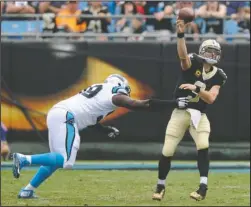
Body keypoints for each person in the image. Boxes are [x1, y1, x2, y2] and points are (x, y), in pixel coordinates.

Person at [12, 74, 189, 199]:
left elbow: (89, 117)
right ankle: (23, 159)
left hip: (59, 114)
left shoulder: (98, 92)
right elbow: (138, 104)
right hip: (66, 117)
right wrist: (173, 104)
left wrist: (105, 130)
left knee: (56, 160)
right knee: (65, 160)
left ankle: (27, 190)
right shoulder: (114, 93)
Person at [152, 19, 227, 201]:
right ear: (202, 52)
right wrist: (180, 35)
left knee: (203, 145)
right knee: (168, 149)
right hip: (180, 111)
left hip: (199, 114)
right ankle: (160, 186)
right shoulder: (193, 62)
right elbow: (183, 57)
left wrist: (197, 89)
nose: (212, 54)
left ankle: (203, 187)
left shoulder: (219, 75)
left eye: (215, 52)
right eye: (209, 51)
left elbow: (211, 98)